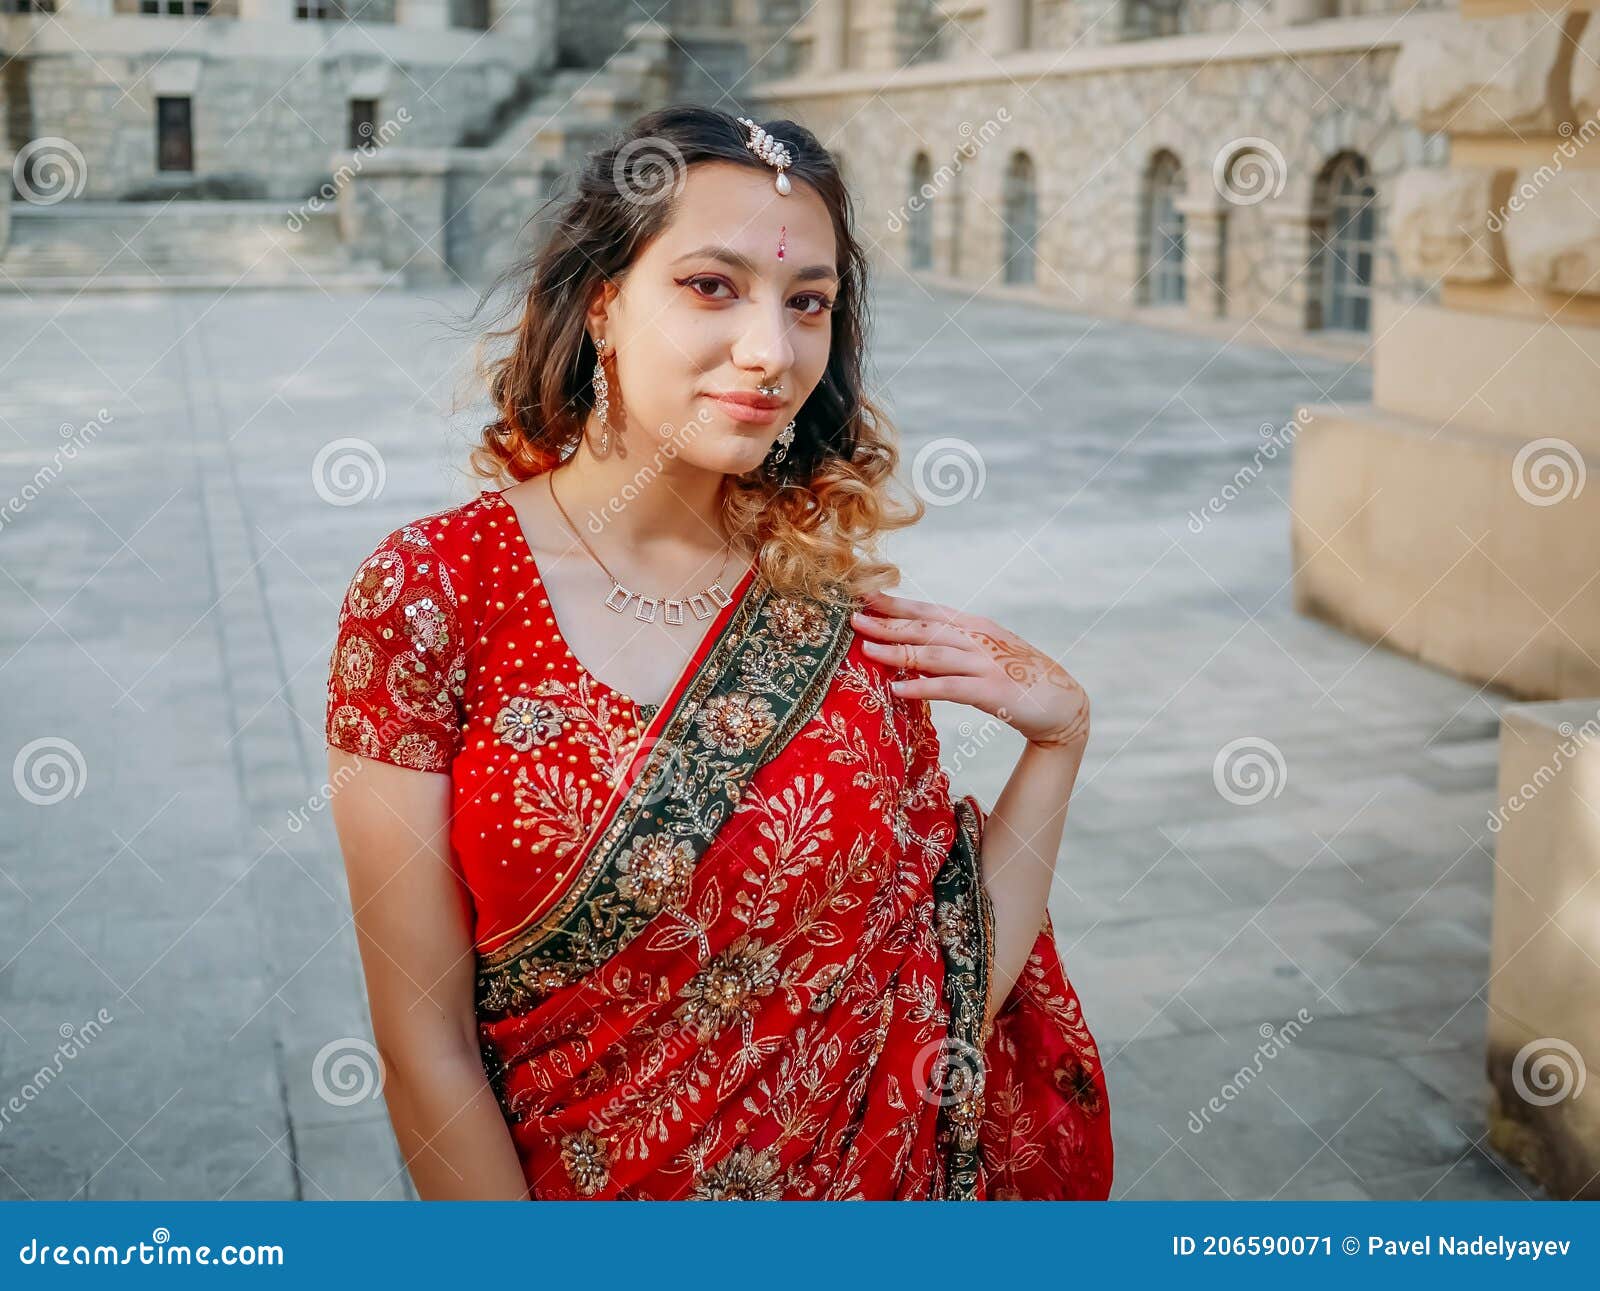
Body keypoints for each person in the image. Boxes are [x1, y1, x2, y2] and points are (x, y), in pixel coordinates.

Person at [324, 104, 1112, 1200]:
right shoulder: (433, 595)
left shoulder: (830, 609)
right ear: (602, 304)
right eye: (711, 285)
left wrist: (1060, 742)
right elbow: (424, 1052)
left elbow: (940, 990)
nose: (770, 350)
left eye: (808, 304)